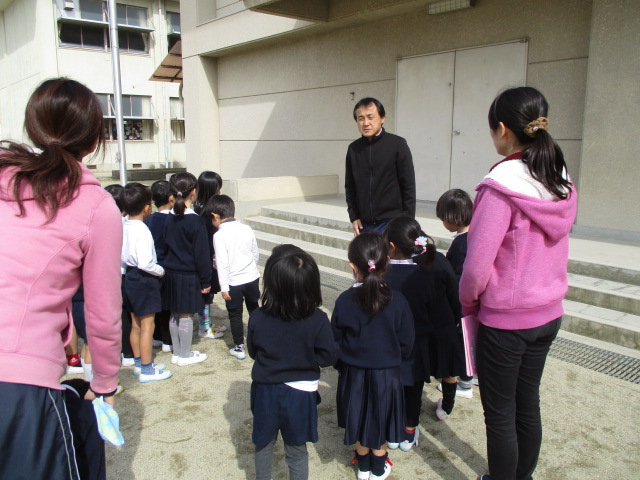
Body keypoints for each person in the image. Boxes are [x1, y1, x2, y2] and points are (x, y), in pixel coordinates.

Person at [0, 77, 122, 479]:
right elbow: (104, 311)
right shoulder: (93, 205)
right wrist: (104, 381)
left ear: (32, 126)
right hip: (20, 382)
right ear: (93, 140)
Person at [459, 87, 577, 480]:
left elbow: (476, 266)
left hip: (507, 320)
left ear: (503, 129)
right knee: (528, 403)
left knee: (501, 414)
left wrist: (468, 302)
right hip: (548, 314)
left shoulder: (501, 186)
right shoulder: (559, 178)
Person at [247, 245, 340, 480]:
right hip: (300, 395)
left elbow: (253, 351)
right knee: (297, 450)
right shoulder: (318, 319)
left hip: (265, 390)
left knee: (263, 445)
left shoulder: (258, 316)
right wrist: (308, 358)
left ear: (271, 283)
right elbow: (329, 356)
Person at [331, 232, 415, 480]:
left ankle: (365, 466)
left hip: (353, 373)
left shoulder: (345, 300)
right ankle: (378, 467)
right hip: (387, 373)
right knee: (380, 419)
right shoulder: (397, 300)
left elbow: (335, 339)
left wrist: (342, 364)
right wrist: (394, 358)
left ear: (353, 266)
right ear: (385, 263)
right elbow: (407, 341)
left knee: (357, 416)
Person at [383, 216, 465, 454]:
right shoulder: (436, 259)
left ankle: (396, 428)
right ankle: (411, 429)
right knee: (415, 385)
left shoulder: (385, 272)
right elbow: (453, 292)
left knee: (397, 385)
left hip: (397, 340)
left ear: (392, 246)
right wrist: (457, 316)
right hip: (431, 331)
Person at [121, 182, 172, 383]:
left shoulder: (124, 226)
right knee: (147, 325)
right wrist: (160, 271)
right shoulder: (141, 229)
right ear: (146, 207)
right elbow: (146, 262)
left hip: (129, 276)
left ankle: (138, 362)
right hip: (144, 278)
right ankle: (147, 369)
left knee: (135, 323)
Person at [345, 97, 416, 235]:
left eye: (370, 117)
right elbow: (350, 186)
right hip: (364, 225)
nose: (366, 123)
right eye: (361, 118)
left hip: (392, 222)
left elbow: (408, 186)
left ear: (382, 118)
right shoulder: (354, 149)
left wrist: (407, 221)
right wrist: (354, 217)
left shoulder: (397, 144)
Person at [163, 172, 211, 367]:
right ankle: (184, 354)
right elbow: (202, 253)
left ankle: (177, 351)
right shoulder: (195, 220)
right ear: (193, 191)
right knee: (186, 315)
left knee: (175, 313)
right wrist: (206, 280)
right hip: (188, 275)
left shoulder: (169, 217)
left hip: (171, 273)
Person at [206, 194, 260, 360]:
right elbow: (255, 253)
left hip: (233, 282)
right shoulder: (246, 228)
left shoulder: (219, 235)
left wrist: (224, 287)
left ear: (215, 216)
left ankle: (239, 346)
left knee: (235, 314)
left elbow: (222, 263)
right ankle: (259, 340)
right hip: (251, 277)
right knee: (254, 308)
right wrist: (250, 268)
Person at [436, 188, 476, 397]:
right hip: (473, 303)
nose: (443, 222)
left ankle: (464, 384)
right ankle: (471, 376)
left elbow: (457, 278)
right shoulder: (475, 235)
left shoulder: (461, 244)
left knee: (462, 343)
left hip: (461, 304)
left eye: (443, 218)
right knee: (471, 341)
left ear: (452, 217)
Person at [105, 183, 136, 367]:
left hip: (106, 274)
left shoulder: (101, 221)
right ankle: (128, 351)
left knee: (111, 315)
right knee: (125, 314)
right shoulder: (125, 224)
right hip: (123, 272)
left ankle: (115, 352)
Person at [193, 171, 226, 339]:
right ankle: (204, 326)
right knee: (205, 292)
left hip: (210, 257)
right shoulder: (204, 213)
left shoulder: (202, 208)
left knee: (209, 292)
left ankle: (207, 322)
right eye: (218, 188)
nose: (220, 191)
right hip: (206, 258)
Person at [144, 180, 175, 353]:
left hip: (153, 266)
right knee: (169, 307)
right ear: (171, 197)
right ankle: (167, 340)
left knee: (158, 305)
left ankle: (156, 336)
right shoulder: (174, 220)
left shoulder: (149, 220)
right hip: (169, 267)